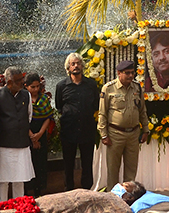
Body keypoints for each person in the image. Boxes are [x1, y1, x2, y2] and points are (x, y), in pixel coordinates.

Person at [98, 60, 149, 191]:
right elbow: (102, 114)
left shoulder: (137, 88)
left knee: (131, 169)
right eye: (127, 73)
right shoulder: (108, 88)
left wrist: (146, 129)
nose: (131, 76)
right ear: (119, 73)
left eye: (132, 73)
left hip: (133, 134)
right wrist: (104, 135)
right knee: (113, 169)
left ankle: (129, 196)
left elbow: (142, 110)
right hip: (115, 134)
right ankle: (113, 196)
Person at [55, 52, 99, 190]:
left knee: (87, 162)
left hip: (87, 129)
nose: (76, 66)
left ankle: (87, 190)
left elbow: (96, 105)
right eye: (73, 64)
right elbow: (59, 106)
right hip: (69, 130)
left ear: (82, 66)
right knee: (68, 163)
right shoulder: (61, 86)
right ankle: (69, 189)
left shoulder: (91, 85)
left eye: (78, 63)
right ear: (68, 67)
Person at [0, 67, 34, 201]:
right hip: (3, 145)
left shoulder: (26, 95)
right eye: (18, 80)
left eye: (22, 79)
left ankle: (20, 206)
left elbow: (29, 116)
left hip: (22, 144)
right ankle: (1, 206)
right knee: (3, 181)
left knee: (20, 179)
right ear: (9, 82)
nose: (22, 82)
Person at [25, 73, 54, 197]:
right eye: (32, 87)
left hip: (41, 133)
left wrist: (40, 134)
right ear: (26, 86)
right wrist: (32, 137)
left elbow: (48, 117)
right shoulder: (23, 99)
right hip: (26, 134)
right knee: (28, 163)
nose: (35, 89)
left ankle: (39, 191)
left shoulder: (44, 99)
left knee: (40, 163)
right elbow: (21, 119)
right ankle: (26, 193)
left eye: (38, 86)